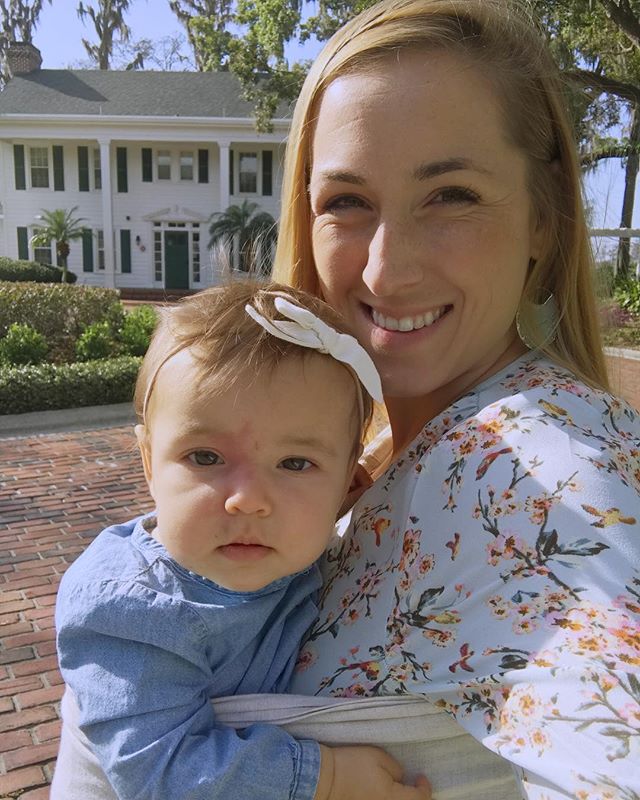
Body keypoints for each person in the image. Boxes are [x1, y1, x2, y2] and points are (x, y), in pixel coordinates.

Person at [269, 0, 640, 797]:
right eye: (346, 202)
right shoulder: (363, 452)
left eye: (452, 196)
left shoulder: (539, 472)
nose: (383, 272)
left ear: (546, 219)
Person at [54, 281, 431, 800]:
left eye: (295, 463)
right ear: (147, 462)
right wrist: (329, 778)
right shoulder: (130, 611)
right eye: (205, 458)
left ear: (348, 489)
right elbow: (160, 771)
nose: (248, 500)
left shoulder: (315, 554)